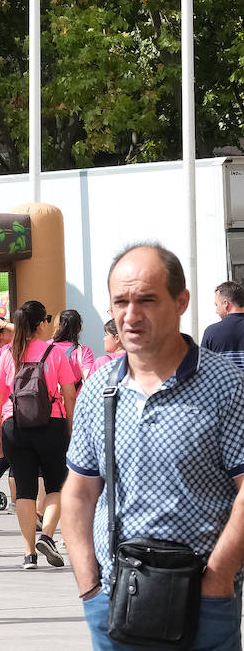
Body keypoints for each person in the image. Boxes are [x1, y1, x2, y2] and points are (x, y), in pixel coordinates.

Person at [65, 244, 244, 649]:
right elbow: (79, 491)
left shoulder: (225, 385)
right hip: (115, 598)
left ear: (181, 301)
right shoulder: (99, 388)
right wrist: (89, 585)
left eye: (146, 299)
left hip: (204, 601)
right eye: (120, 302)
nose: (130, 315)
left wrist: (217, 579)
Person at [0, 300, 78, 570]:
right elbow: (69, 394)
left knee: (25, 491)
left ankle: (29, 554)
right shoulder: (54, 353)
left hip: (14, 425)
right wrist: (71, 427)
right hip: (51, 424)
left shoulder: (8, 353)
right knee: (58, 486)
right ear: (40, 324)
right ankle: (47, 536)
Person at [202, 280, 244, 370]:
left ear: (225, 303)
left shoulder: (211, 332)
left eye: (216, 305)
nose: (216, 311)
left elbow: (204, 370)